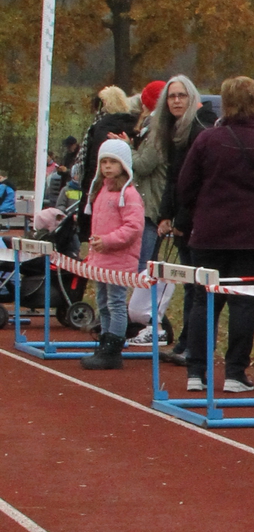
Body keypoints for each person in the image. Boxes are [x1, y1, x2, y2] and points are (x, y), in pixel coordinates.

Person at [173, 77, 254, 392]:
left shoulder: (206, 141)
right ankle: (234, 373)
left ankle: (196, 371)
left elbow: (185, 187)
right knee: (244, 303)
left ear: (224, 103)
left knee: (205, 301)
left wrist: (202, 209)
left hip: (210, 233)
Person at [133, 75, 206, 354]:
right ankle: (186, 343)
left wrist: (182, 220)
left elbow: (194, 181)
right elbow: (173, 179)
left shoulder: (198, 130)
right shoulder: (171, 131)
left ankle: (193, 346)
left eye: (181, 96)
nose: (176, 101)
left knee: (196, 287)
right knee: (188, 284)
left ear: (192, 98)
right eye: (172, 96)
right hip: (178, 216)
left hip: (197, 220)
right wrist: (165, 215)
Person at [78, 136, 144, 370]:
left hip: (119, 260)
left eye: (113, 162)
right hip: (101, 259)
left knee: (115, 303)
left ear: (123, 164)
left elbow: (133, 227)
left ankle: (113, 349)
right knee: (103, 303)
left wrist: (106, 241)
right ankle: (105, 342)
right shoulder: (101, 190)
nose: (107, 167)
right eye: (104, 162)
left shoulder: (129, 194)